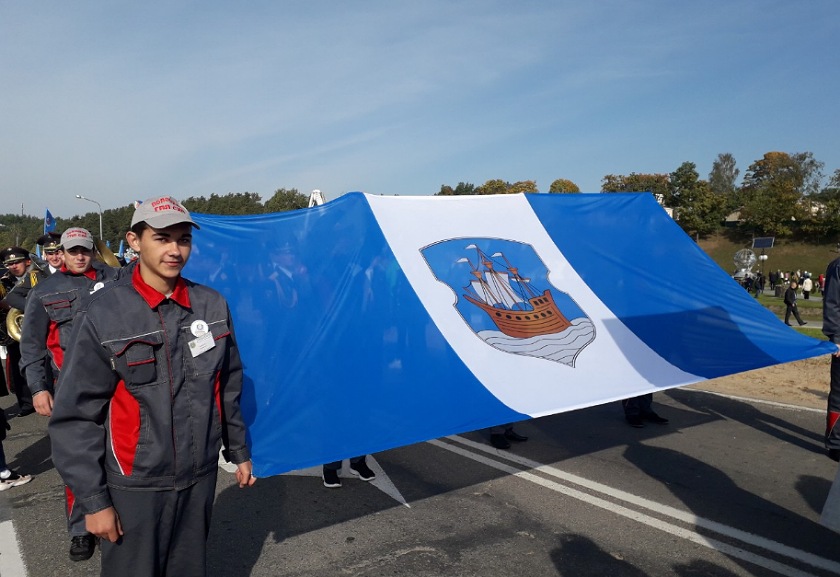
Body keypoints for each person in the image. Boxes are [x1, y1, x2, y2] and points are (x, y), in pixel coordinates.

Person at [49, 195, 256, 577]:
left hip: (199, 477)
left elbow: (227, 385)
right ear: (134, 241)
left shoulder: (211, 305)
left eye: (183, 239)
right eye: (162, 238)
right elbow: (76, 416)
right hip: (135, 485)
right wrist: (93, 501)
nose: (175, 250)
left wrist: (238, 450)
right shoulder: (104, 313)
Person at [20, 227, 118, 562]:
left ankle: (116, 517)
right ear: (61, 252)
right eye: (72, 250)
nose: (79, 256)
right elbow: (31, 347)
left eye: (84, 250)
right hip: (70, 387)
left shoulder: (116, 279)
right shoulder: (45, 291)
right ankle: (80, 530)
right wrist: (38, 388)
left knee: (120, 454)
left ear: (93, 250)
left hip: (118, 383)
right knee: (78, 459)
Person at [0, 247, 39, 415]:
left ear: (27, 261)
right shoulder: (3, 281)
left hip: (37, 327)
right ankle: (26, 403)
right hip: (15, 331)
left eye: (17, 262)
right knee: (17, 366)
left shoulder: (38, 275)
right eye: (10, 264)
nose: (13, 266)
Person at [823, 255, 840, 461]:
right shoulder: (837, 266)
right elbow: (832, 303)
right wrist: (836, 338)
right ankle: (836, 443)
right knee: (839, 394)